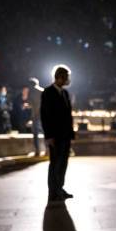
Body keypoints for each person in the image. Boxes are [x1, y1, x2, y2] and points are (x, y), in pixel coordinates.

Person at [41, 66, 75, 202]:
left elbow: (68, 115)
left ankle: (59, 188)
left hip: (65, 136)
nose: (68, 80)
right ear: (60, 77)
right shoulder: (48, 92)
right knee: (55, 163)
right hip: (55, 136)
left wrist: (71, 133)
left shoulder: (65, 93)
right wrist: (48, 136)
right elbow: (45, 116)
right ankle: (53, 191)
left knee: (63, 163)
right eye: (66, 77)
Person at [28, 78, 45, 155]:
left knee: (35, 134)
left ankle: (37, 151)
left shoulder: (31, 92)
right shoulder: (43, 91)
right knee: (45, 133)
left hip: (36, 115)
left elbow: (31, 104)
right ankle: (48, 150)